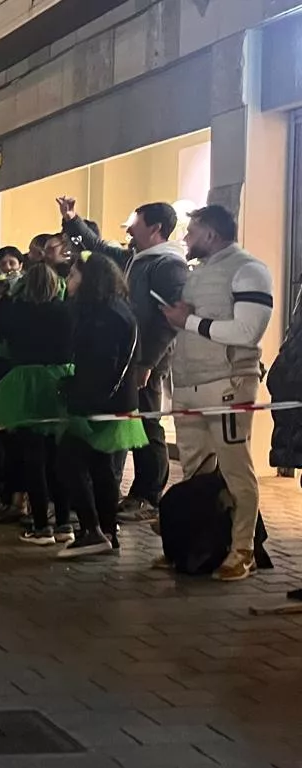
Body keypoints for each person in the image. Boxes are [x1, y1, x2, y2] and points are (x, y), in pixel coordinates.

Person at [159, 204, 273, 581]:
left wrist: (188, 320)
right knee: (196, 472)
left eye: (191, 231)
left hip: (226, 384)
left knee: (236, 471)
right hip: (189, 384)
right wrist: (184, 317)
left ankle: (243, 549)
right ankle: (197, 543)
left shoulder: (249, 269)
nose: (185, 238)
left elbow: (245, 332)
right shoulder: (198, 274)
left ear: (211, 234)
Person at [59, 197, 188, 523]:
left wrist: (147, 363)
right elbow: (97, 246)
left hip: (145, 359)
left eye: (135, 219)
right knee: (124, 421)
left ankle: (147, 494)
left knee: (146, 423)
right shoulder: (135, 258)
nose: (128, 226)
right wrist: (72, 218)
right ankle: (112, 497)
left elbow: (169, 320)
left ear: (155, 227)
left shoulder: (168, 266)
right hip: (127, 355)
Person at [56, 254, 146, 558]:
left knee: (71, 459)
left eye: (73, 274)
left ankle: (93, 529)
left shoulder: (103, 316)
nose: (69, 281)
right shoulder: (116, 309)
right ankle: (107, 531)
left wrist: (78, 394)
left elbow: (102, 364)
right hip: (111, 400)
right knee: (101, 466)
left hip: (98, 402)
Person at [0, 263, 73, 545]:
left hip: (24, 382)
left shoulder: (16, 311)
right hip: (59, 379)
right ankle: (64, 523)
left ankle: (40, 526)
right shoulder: (65, 311)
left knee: (33, 459)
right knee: (59, 458)